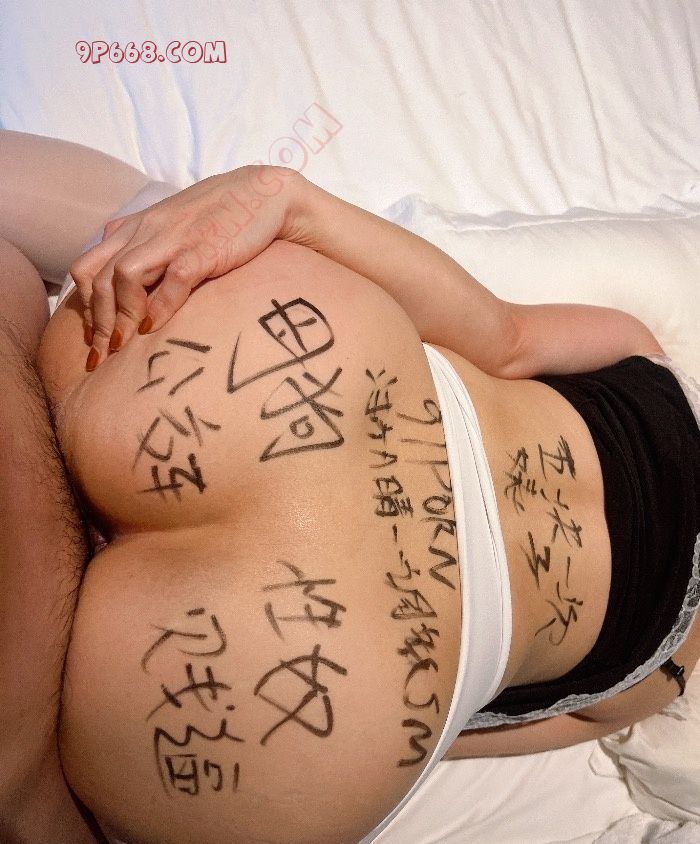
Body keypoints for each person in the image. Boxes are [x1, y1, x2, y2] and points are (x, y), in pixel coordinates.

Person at [0, 130, 698, 844]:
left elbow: (502, 335)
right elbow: (455, 734)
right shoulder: (661, 674)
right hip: (319, 686)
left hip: (287, 377)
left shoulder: (650, 366)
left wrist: (291, 201)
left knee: (107, 235)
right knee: (41, 786)